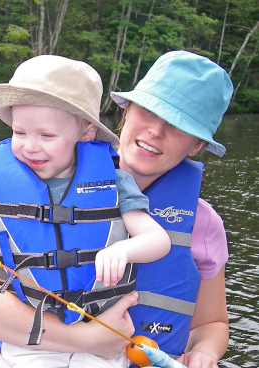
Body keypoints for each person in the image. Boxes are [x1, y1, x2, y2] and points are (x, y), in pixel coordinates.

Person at [0, 55, 171, 368]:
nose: (30, 147)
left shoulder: (115, 182)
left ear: (87, 133)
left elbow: (157, 239)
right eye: (19, 133)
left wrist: (125, 249)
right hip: (31, 338)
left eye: (47, 135)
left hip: (102, 335)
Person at [110, 50, 232, 368]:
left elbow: (212, 324)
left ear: (197, 146)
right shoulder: (54, 184)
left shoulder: (204, 224)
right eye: (148, 111)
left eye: (178, 125)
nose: (156, 130)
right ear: (127, 110)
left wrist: (205, 352)